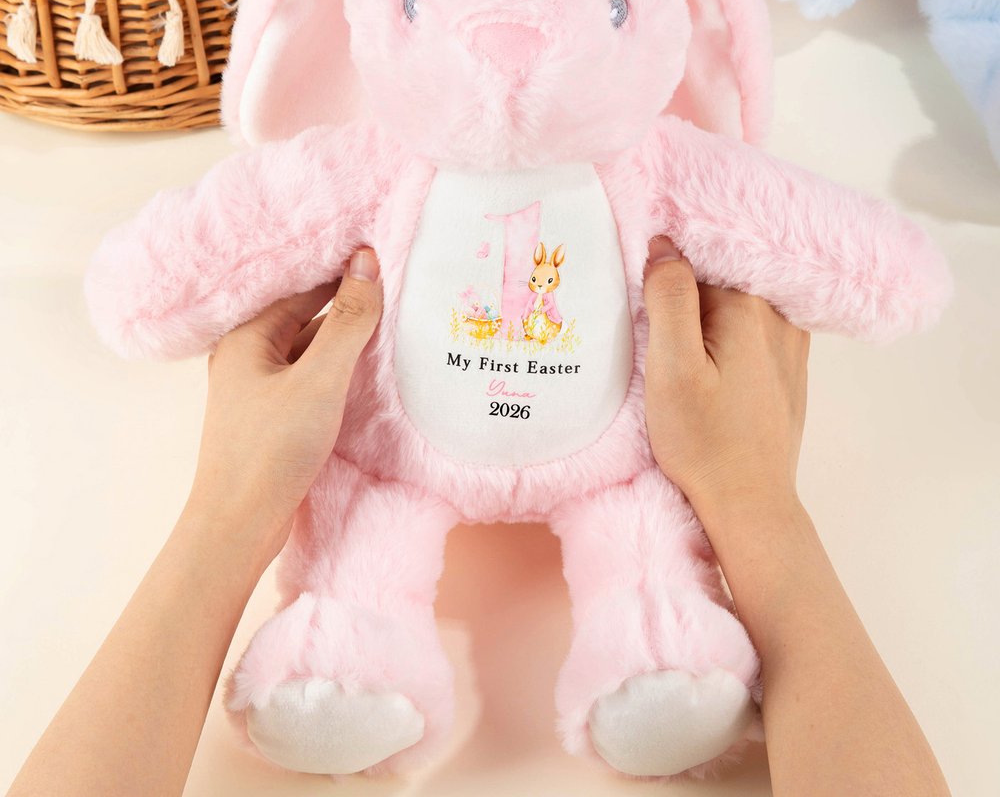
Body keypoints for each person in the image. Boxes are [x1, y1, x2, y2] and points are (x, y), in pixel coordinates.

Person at [6, 241, 951, 797]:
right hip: (397, 442)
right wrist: (757, 504)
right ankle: (341, 655)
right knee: (373, 502)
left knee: (631, 516)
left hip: (618, 443)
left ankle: (660, 647)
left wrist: (222, 516)